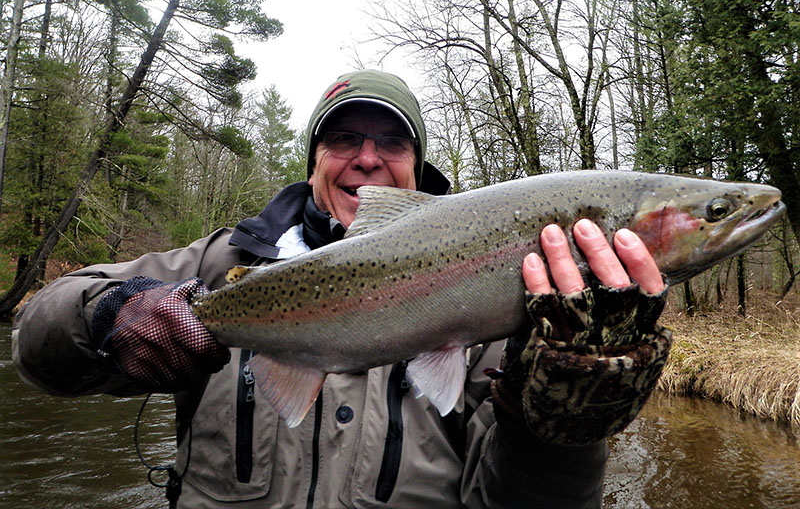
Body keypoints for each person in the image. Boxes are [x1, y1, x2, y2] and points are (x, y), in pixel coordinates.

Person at [12, 69, 670, 508]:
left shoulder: (513, 312)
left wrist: (563, 428)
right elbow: (38, 344)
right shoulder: (221, 264)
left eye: (391, 141)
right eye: (344, 138)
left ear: (417, 166)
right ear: (316, 158)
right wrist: (103, 316)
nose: (366, 157)